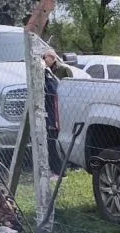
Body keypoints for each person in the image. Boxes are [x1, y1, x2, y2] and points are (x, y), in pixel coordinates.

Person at [42, 50, 73, 179]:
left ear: (53, 58)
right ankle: (56, 169)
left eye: (46, 57)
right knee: (52, 140)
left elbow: (65, 88)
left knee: (56, 140)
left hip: (59, 108)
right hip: (51, 110)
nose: (44, 60)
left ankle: (61, 170)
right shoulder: (46, 72)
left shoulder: (62, 70)